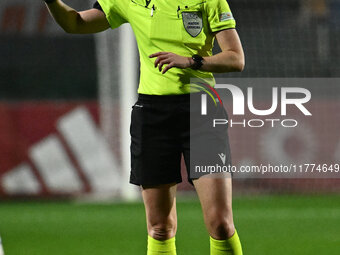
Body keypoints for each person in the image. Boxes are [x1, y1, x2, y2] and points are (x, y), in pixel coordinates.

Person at [43, 0, 245, 254]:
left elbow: (236, 58)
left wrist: (191, 61)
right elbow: (74, 23)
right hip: (153, 116)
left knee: (221, 224)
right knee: (160, 227)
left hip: (202, 112)